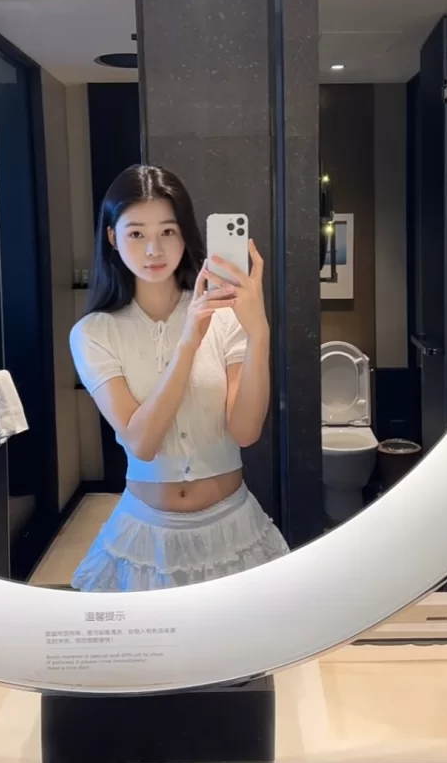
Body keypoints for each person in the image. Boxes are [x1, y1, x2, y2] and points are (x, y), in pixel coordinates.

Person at [69, 164, 289, 591]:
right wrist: (188, 343)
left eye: (168, 231)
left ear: (185, 234)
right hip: (146, 538)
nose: (154, 249)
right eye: (136, 233)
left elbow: (245, 432)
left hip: (233, 529)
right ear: (112, 237)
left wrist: (259, 332)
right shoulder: (94, 334)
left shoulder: (225, 315)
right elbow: (142, 442)